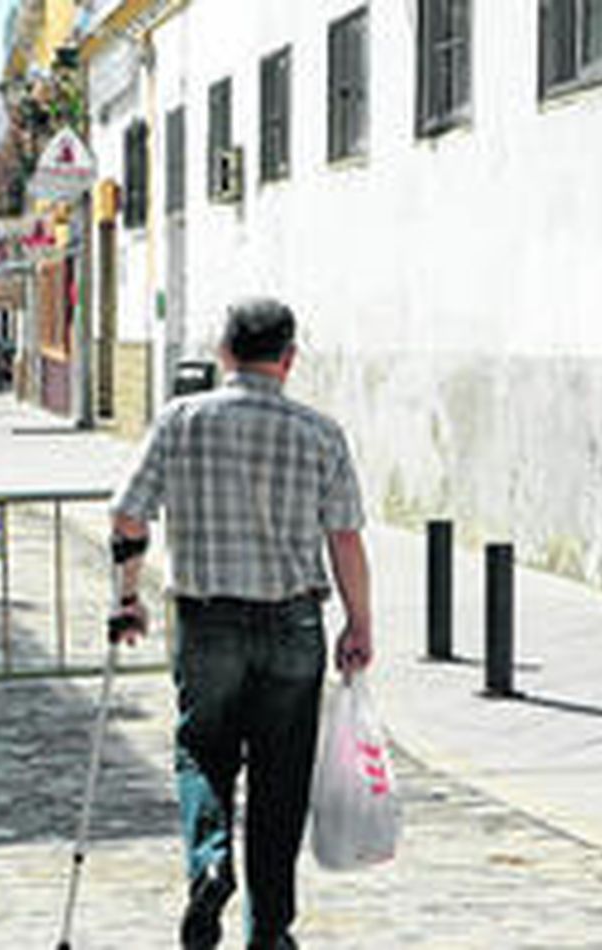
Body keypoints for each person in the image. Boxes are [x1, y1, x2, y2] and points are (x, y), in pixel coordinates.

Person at [109, 299, 374, 950]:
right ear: (288, 359)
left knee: (203, 751)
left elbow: (128, 516)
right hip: (293, 625)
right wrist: (359, 623)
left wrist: (127, 598)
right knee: (282, 782)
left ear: (224, 353)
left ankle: (209, 863)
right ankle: (271, 932)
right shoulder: (320, 433)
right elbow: (345, 538)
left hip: (207, 620)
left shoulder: (179, 422)